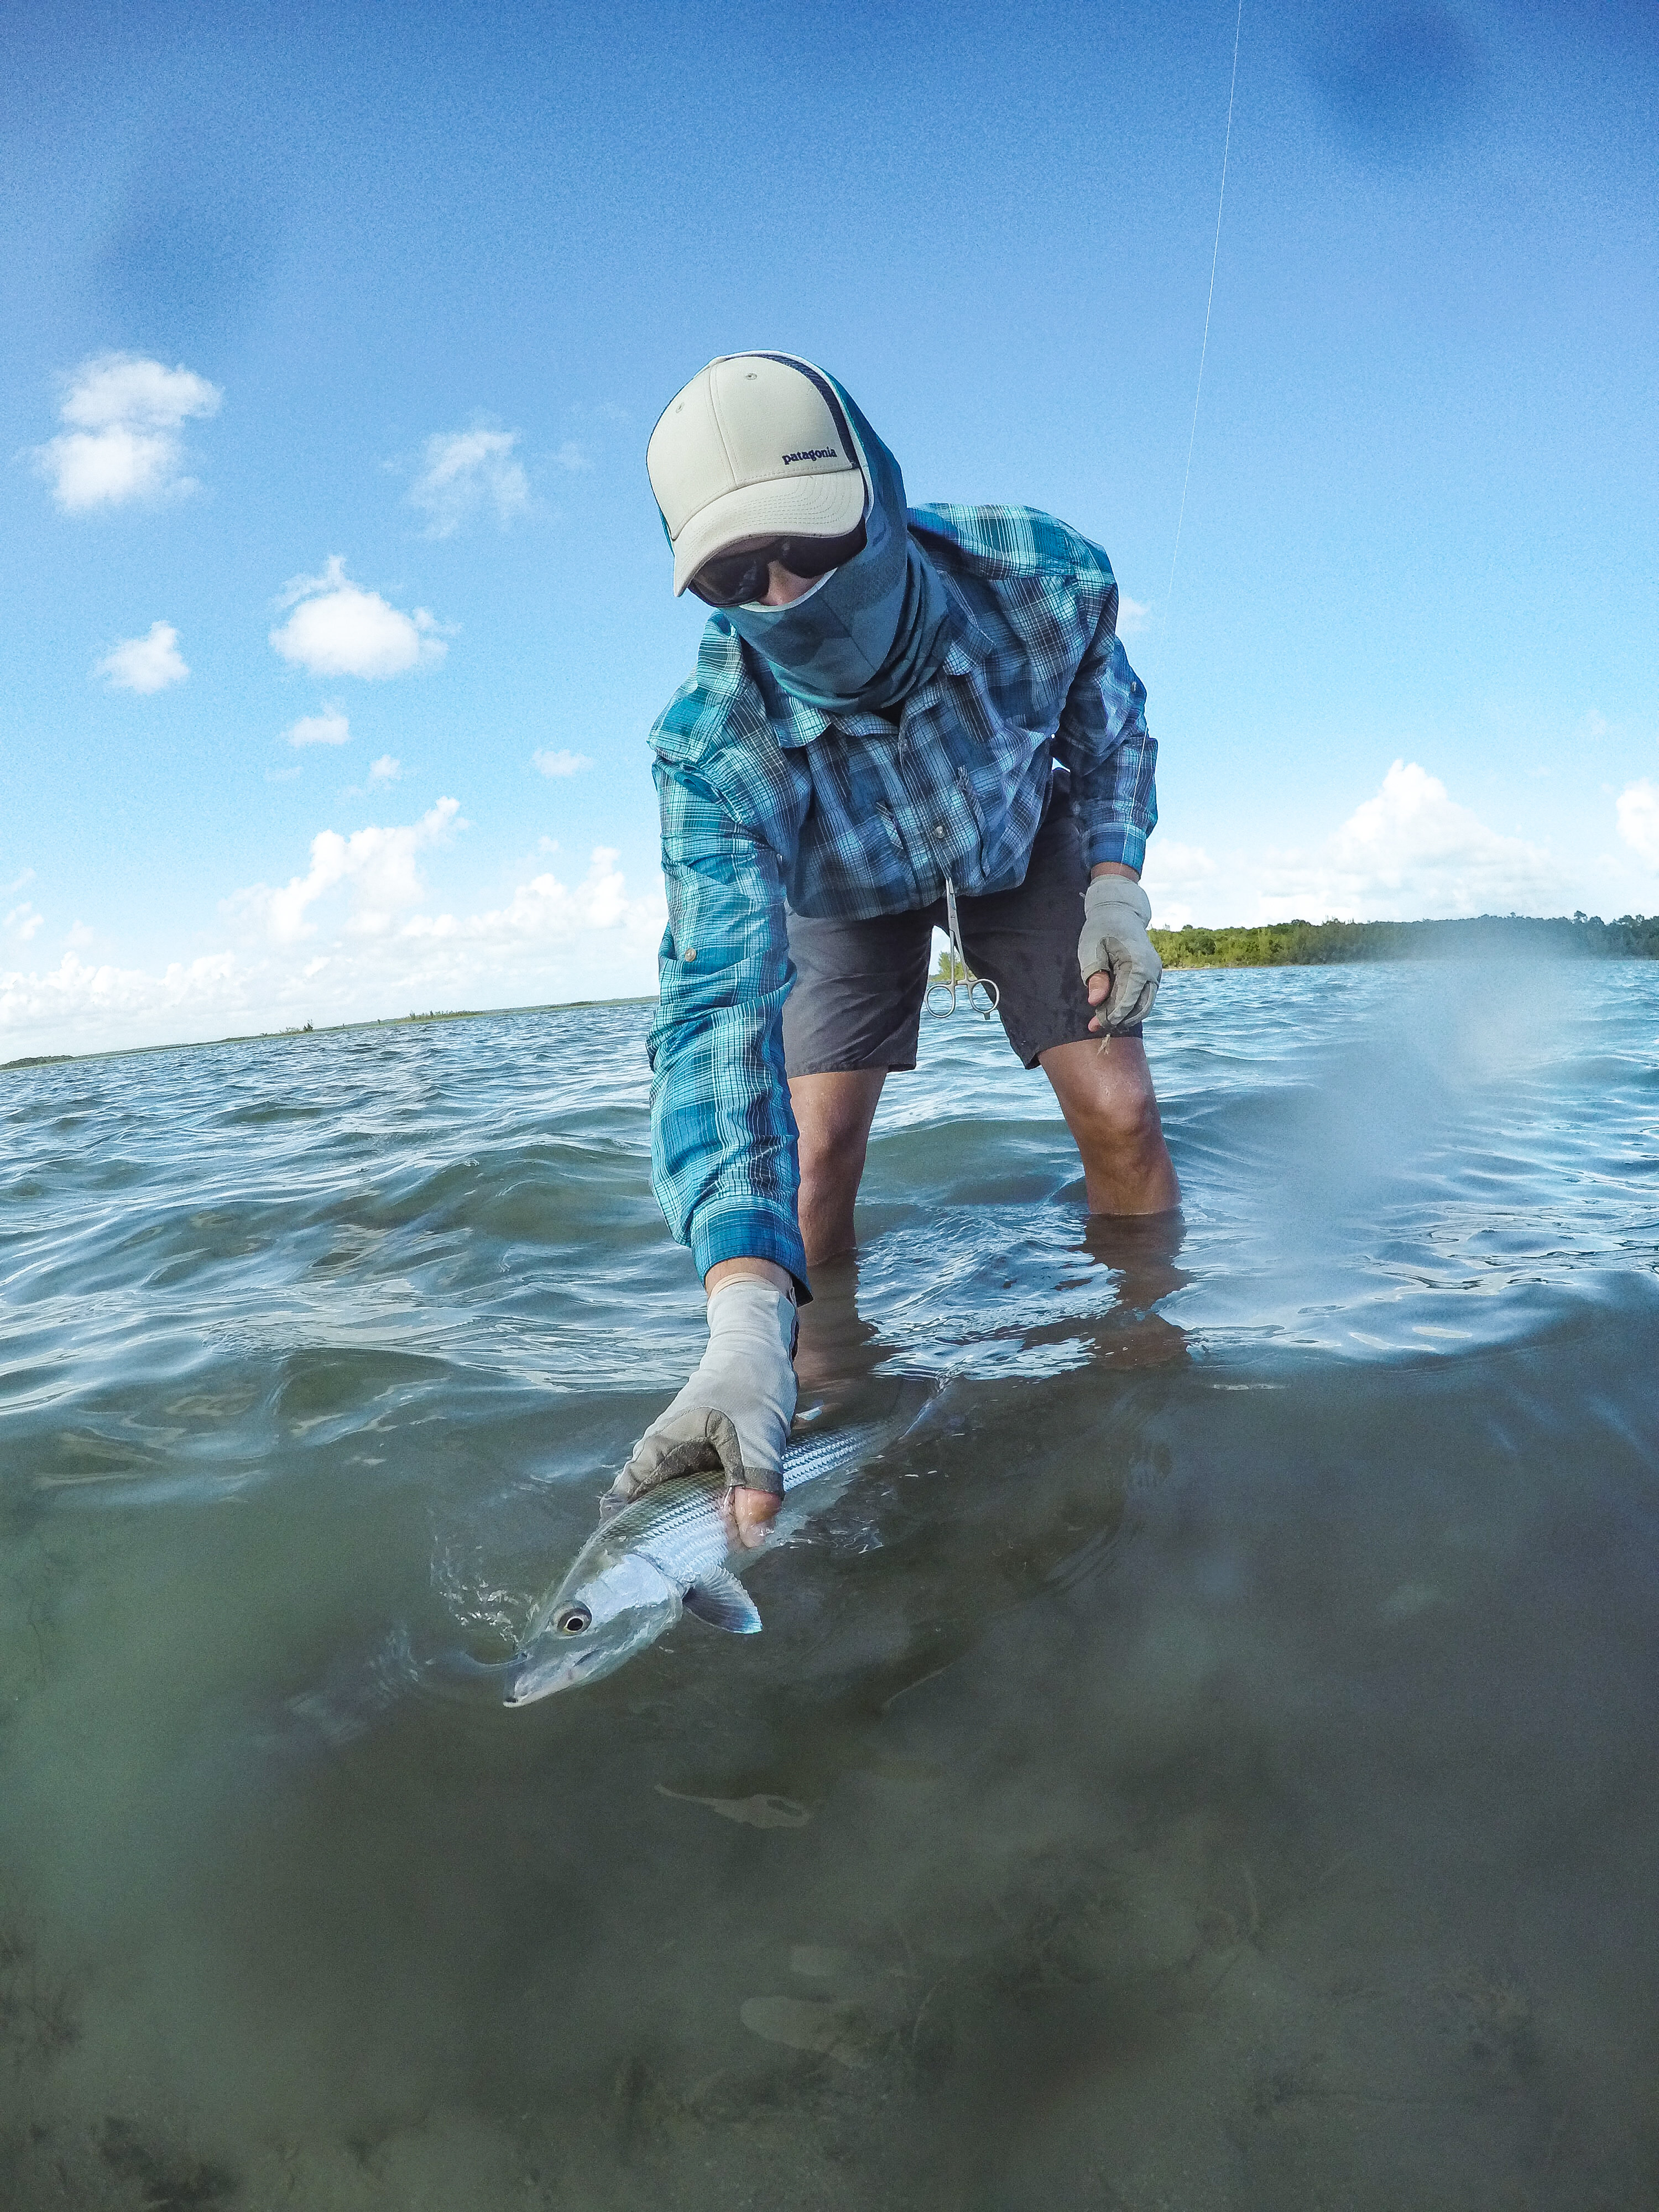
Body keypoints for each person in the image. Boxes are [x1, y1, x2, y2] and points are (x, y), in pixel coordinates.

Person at [608, 352, 1178, 1543]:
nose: (781, 596)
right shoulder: (713, 746)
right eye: (731, 575)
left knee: (1120, 1107)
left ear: (876, 486)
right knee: (813, 1166)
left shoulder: (1043, 576)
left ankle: (1147, 1376)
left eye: (808, 547)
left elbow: (1111, 731)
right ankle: (816, 1426)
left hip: (1019, 838)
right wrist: (740, 1310)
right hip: (842, 884)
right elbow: (714, 1010)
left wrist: (1115, 882)